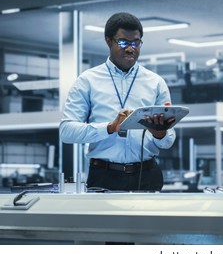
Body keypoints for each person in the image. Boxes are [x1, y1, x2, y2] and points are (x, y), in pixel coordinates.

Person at [59, 12, 176, 192]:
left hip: (147, 175)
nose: (130, 48)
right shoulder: (88, 80)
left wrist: (159, 133)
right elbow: (67, 132)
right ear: (109, 41)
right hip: (104, 176)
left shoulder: (155, 82)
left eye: (135, 43)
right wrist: (109, 128)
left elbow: (167, 141)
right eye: (123, 42)